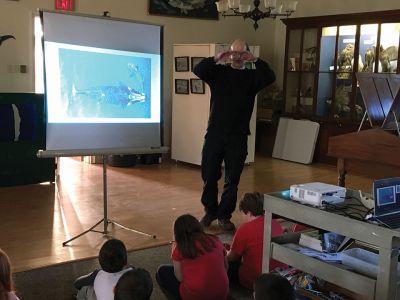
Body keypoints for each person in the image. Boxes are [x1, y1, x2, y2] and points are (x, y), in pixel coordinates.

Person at [193, 39, 276, 231]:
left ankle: (224, 215)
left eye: (242, 53)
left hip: (238, 136)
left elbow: (270, 76)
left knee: (232, 179)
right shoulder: (218, 72)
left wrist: (255, 60)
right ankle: (210, 211)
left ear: (247, 55)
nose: (237, 57)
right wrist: (216, 58)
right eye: (234, 53)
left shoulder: (252, 77)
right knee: (208, 174)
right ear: (228, 54)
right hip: (215, 133)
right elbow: (199, 69)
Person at [156, 214, 229, 300]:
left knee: (161, 271)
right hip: (222, 294)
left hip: (194, 296)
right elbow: (226, 267)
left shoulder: (179, 247)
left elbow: (179, 278)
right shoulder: (215, 240)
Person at [225, 192, 286, 290]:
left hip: (256, 281)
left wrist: (225, 253)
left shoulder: (244, 228)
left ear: (248, 212)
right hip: (278, 277)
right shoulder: (275, 223)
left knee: (224, 263)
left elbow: (231, 257)